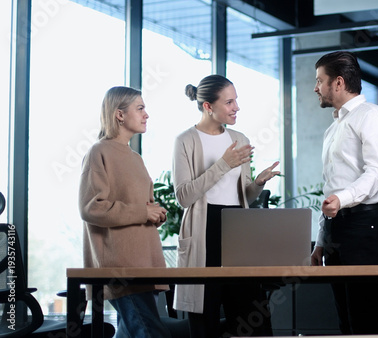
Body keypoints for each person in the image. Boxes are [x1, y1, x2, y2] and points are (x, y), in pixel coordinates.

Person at [172, 74, 280, 338]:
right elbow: (184, 196)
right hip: (203, 228)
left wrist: (258, 183)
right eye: (229, 102)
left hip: (237, 228)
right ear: (208, 106)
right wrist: (223, 164)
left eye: (236, 101)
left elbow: (246, 195)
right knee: (204, 317)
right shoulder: (185, 140)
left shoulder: (239, 138)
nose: (236, 108)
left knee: (252, 315)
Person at [310, 51, 378, 334]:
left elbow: (376, 174)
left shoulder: (371, 116)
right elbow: (331, 190)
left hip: (365, 224)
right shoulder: (333, 128)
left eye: (319, 81)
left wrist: (342, 199)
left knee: (363, 317)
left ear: (338, 82)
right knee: (345, 321)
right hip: (338, 227)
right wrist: (321, 241)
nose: (315, 88)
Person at [79, 86, 171, 338]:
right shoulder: (99, 152)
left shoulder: (135, 157)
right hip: (121, 267)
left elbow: (138, 208)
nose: (146, 114)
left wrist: (154, 213)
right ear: (119, 115)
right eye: (140, 108)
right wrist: (143, 212)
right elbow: (91, 207)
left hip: (143, 264)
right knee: (150, 333)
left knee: (131, 332)